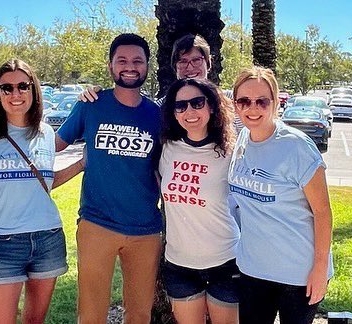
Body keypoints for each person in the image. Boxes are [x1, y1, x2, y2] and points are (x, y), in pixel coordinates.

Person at [56, 33, 162, 324]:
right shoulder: (91, 104)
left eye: (138, 60)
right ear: (111, 65)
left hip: (146, 230)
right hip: (97, 224)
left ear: (147, 66)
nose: (130, 66)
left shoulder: (157, 115)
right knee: (91, 313)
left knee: (140, 314)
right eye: (122, 60)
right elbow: (51, 146)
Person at [0, 59, 83, 324]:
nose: (15, 94)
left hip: (48, 238)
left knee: (35, 321)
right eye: (6, 88)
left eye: (23, 86)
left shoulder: (45, 133)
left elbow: (44, 183)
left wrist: (80, 165)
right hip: (3, 243)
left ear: (34, 90)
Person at [228, 66, 333, 324]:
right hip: (253, 269)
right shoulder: (242, 138)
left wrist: (320, 268)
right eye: (244, 101)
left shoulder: (297, 147)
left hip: (298, 273)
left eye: (262, 101)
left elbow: (322, 212)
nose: (253, 108)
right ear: (236, 105)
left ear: (275, 103)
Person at [159, 78, 240, 323]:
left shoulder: (231, 152)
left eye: (197, 103)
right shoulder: (167, 148)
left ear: (212, 106)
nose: (189, 111)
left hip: (225, 262)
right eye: (180, 106)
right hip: (179, 264)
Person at [78, 33, 243, 134]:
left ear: (208, 63)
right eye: (183, 61)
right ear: (175, 67)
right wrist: (96, 94)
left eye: (196, 60)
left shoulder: (234, 102)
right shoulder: (161, 108)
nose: (190, 67)